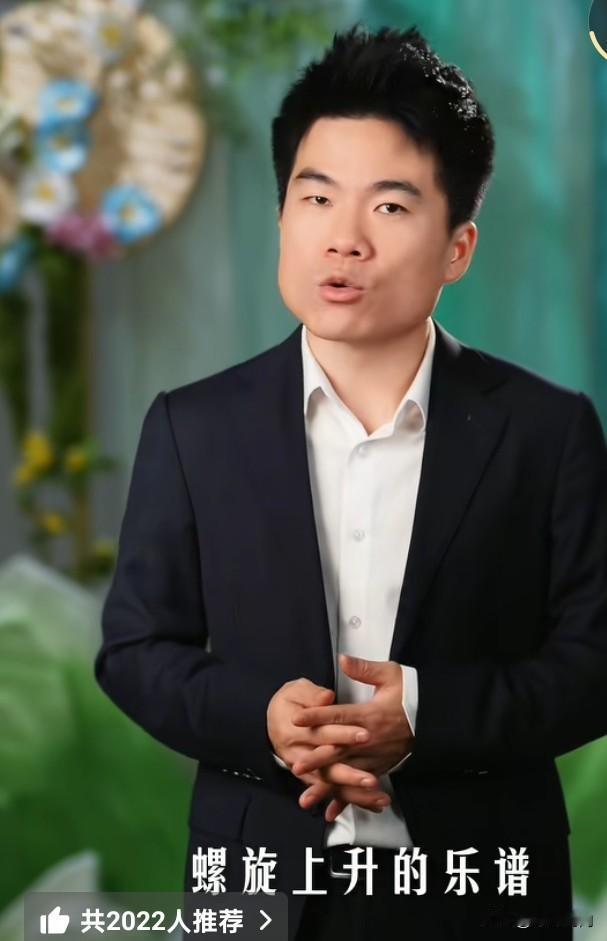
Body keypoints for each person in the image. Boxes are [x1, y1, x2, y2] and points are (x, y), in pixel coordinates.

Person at [95, 24, 607, 940]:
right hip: (258, 884)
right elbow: (135, 649)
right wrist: (259, 717)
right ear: (282, 218)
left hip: (480, 888)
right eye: (316, 196)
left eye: (390, 206)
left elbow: (593, 661)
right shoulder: (192, 427)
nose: (344, 238)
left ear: (457, 247)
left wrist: (426, 717)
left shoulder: (545, 430)